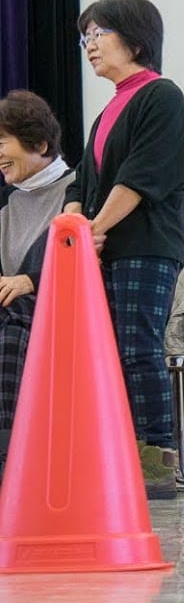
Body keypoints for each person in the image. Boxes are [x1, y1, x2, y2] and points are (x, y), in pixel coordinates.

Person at [66, 0, 184, 500]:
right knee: (113, 354)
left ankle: (156, 464)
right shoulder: (109, 109)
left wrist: (94, 228)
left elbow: (142, 178)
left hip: (145, 243)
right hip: (105, 246)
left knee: (139, 350)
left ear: (136, 39)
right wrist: (77, 218)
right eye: (86, 37)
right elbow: (84, 180)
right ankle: (119, 459)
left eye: (99, 33)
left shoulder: (161, 97)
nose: (90, 46)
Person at [0, 91, 77, 481]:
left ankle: (8, 458)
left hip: (63, 315)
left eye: (2, 142)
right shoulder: (6, 204)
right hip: (15, 313)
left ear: (40, 145)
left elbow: (83, 263)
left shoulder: (76, 192)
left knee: (12, 320)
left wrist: (30, 279)